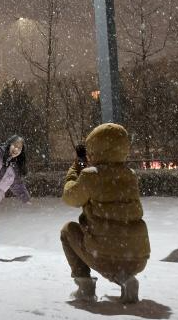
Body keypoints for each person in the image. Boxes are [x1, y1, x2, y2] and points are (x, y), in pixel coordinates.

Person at [61, 123, 150, 303]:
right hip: (137, 256)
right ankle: (126, 277)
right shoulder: (130, 175)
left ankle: (85, 287)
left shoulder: (91, 175)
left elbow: (70, 197)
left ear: (94, 148)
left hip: (107, 255)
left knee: (68, 230)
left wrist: (76, 168)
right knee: (113, 244)